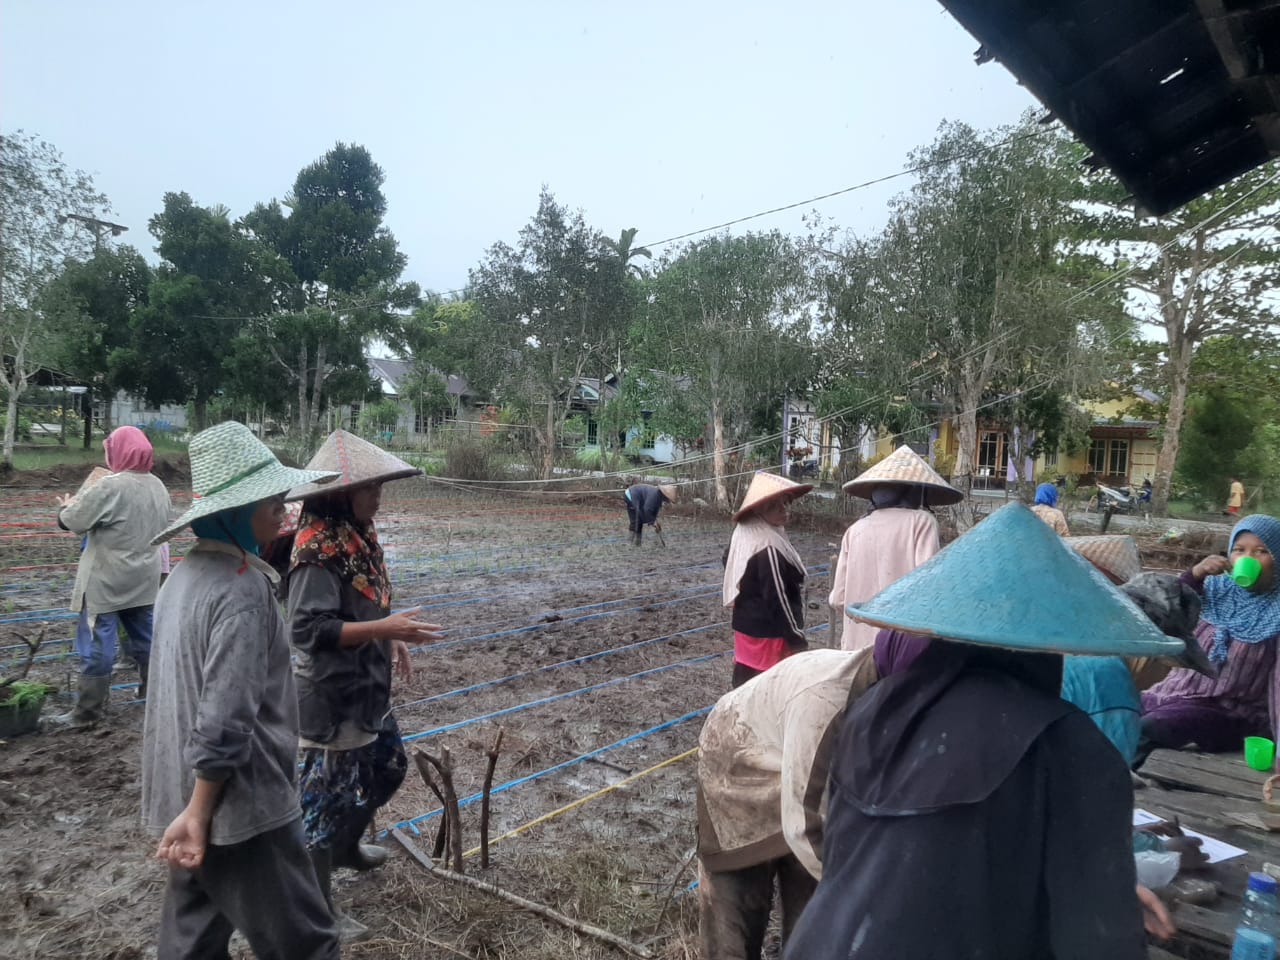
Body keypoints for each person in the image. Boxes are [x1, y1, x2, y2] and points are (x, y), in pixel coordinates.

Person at [785, 502, 1183, 960]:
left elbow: (893, 865)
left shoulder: (872, 710)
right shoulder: (1072, 746)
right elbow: (1097, 940)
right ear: (1055, 641)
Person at [140, 421, 341, 960]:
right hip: (239, 805)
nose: (284, 510)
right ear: (232, 511)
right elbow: (227, 716)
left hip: (185, 792)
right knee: (307, 943)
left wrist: (189, 810)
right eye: (270, 500)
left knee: (191, 942)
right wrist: (202, 814)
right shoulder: (242, 591)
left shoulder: (183, 579)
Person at [285, 429, 444, 940]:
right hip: (331, 695)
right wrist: (384, 629)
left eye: (380, 486)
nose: (379, 496)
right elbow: (307, 630)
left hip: (366, 685)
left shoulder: (356, 537)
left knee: (387, 768)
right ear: (337, 493)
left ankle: (348, 849)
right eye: (370, 487)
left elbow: (362, 602)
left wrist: (387, 633)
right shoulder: (317, 551)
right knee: (321, 806)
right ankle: (318, 911)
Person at [50, 425, 172, 727]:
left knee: (97, 639)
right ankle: (154, 694)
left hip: (106, 579)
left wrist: (65, 507)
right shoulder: (158, 485)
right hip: (144, 576)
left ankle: (88, 712)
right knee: (147, 636)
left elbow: (73, 521)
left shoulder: (110, 486)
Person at [1139, 514, 1280, 761]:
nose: (1247, 558)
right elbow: (1170, 614)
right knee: (1114, 713)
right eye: (1239, 550)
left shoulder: (1276, 613)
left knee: (1149, 728)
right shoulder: (1212, 589)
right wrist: (1195, 574)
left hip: (1231, 712)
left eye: (1260, 552)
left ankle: (1119, 790)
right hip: (1170, 694)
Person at [829, 445, 961, 651]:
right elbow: (928, 588)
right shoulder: (922, 521)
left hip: (854, 649)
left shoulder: (855, 530)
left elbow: (838, 599)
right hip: (899, 648)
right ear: (916, 492)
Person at [723, 471, 813, 687]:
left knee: (745, 683)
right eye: (775, 506)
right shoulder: (767, 546)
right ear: (760, 510)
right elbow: (777, 598)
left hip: (746, 627)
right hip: (768, 634)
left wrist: (748, 590)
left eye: (785, 503)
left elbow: (728, 560)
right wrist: (796, 636)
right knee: (769, 687)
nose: (784, 510)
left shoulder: (746, 531)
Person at [623, 482, 677, 547]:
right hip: (630, 494)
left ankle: (637, 543)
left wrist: (655, 521)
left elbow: (654, 511)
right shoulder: (654, 495)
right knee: (636, 518)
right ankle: (629, 542)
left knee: (640, 520)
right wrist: (652, 522)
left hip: (638, 498)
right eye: (668, 499)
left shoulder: (658, 499)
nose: (667, 501)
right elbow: (647, 509)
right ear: (664, 495)